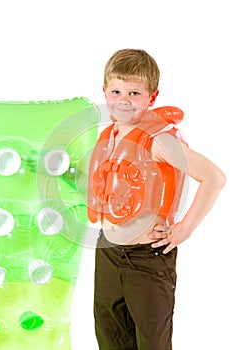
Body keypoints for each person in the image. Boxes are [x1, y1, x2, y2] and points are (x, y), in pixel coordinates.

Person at [87, 48, 226, 350]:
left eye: (134, 92)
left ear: (152, 97)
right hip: (108, 252)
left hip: (147, 259)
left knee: (152, 343)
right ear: (105, 92)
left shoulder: (158, 141)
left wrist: (183, 230)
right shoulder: (107, 137)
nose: (124, 99)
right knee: (110, 338)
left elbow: (214, 177)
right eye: (116, 90)